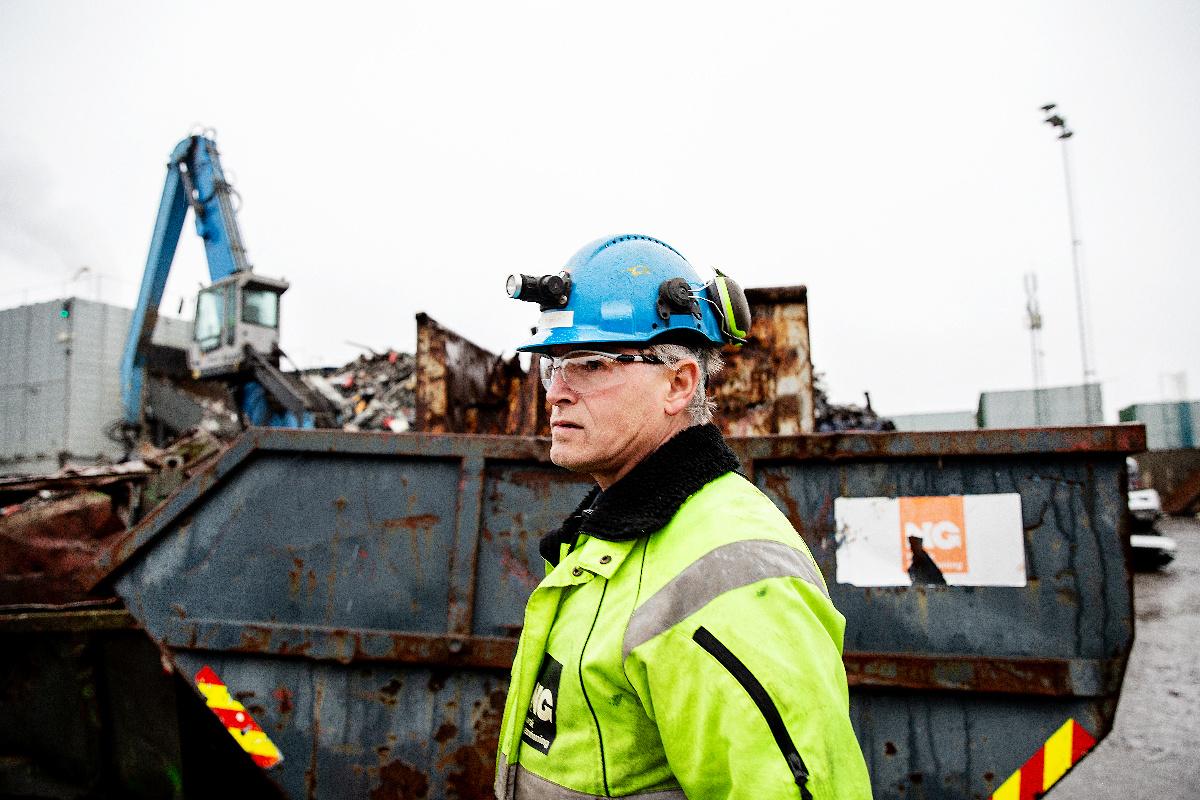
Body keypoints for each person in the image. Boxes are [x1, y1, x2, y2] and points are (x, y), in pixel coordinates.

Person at [494, 234, 872, 799]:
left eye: (590, 364)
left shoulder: (729, 573)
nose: (557, 394)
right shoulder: (611, 537)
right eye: (553, 368)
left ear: (678, 384)